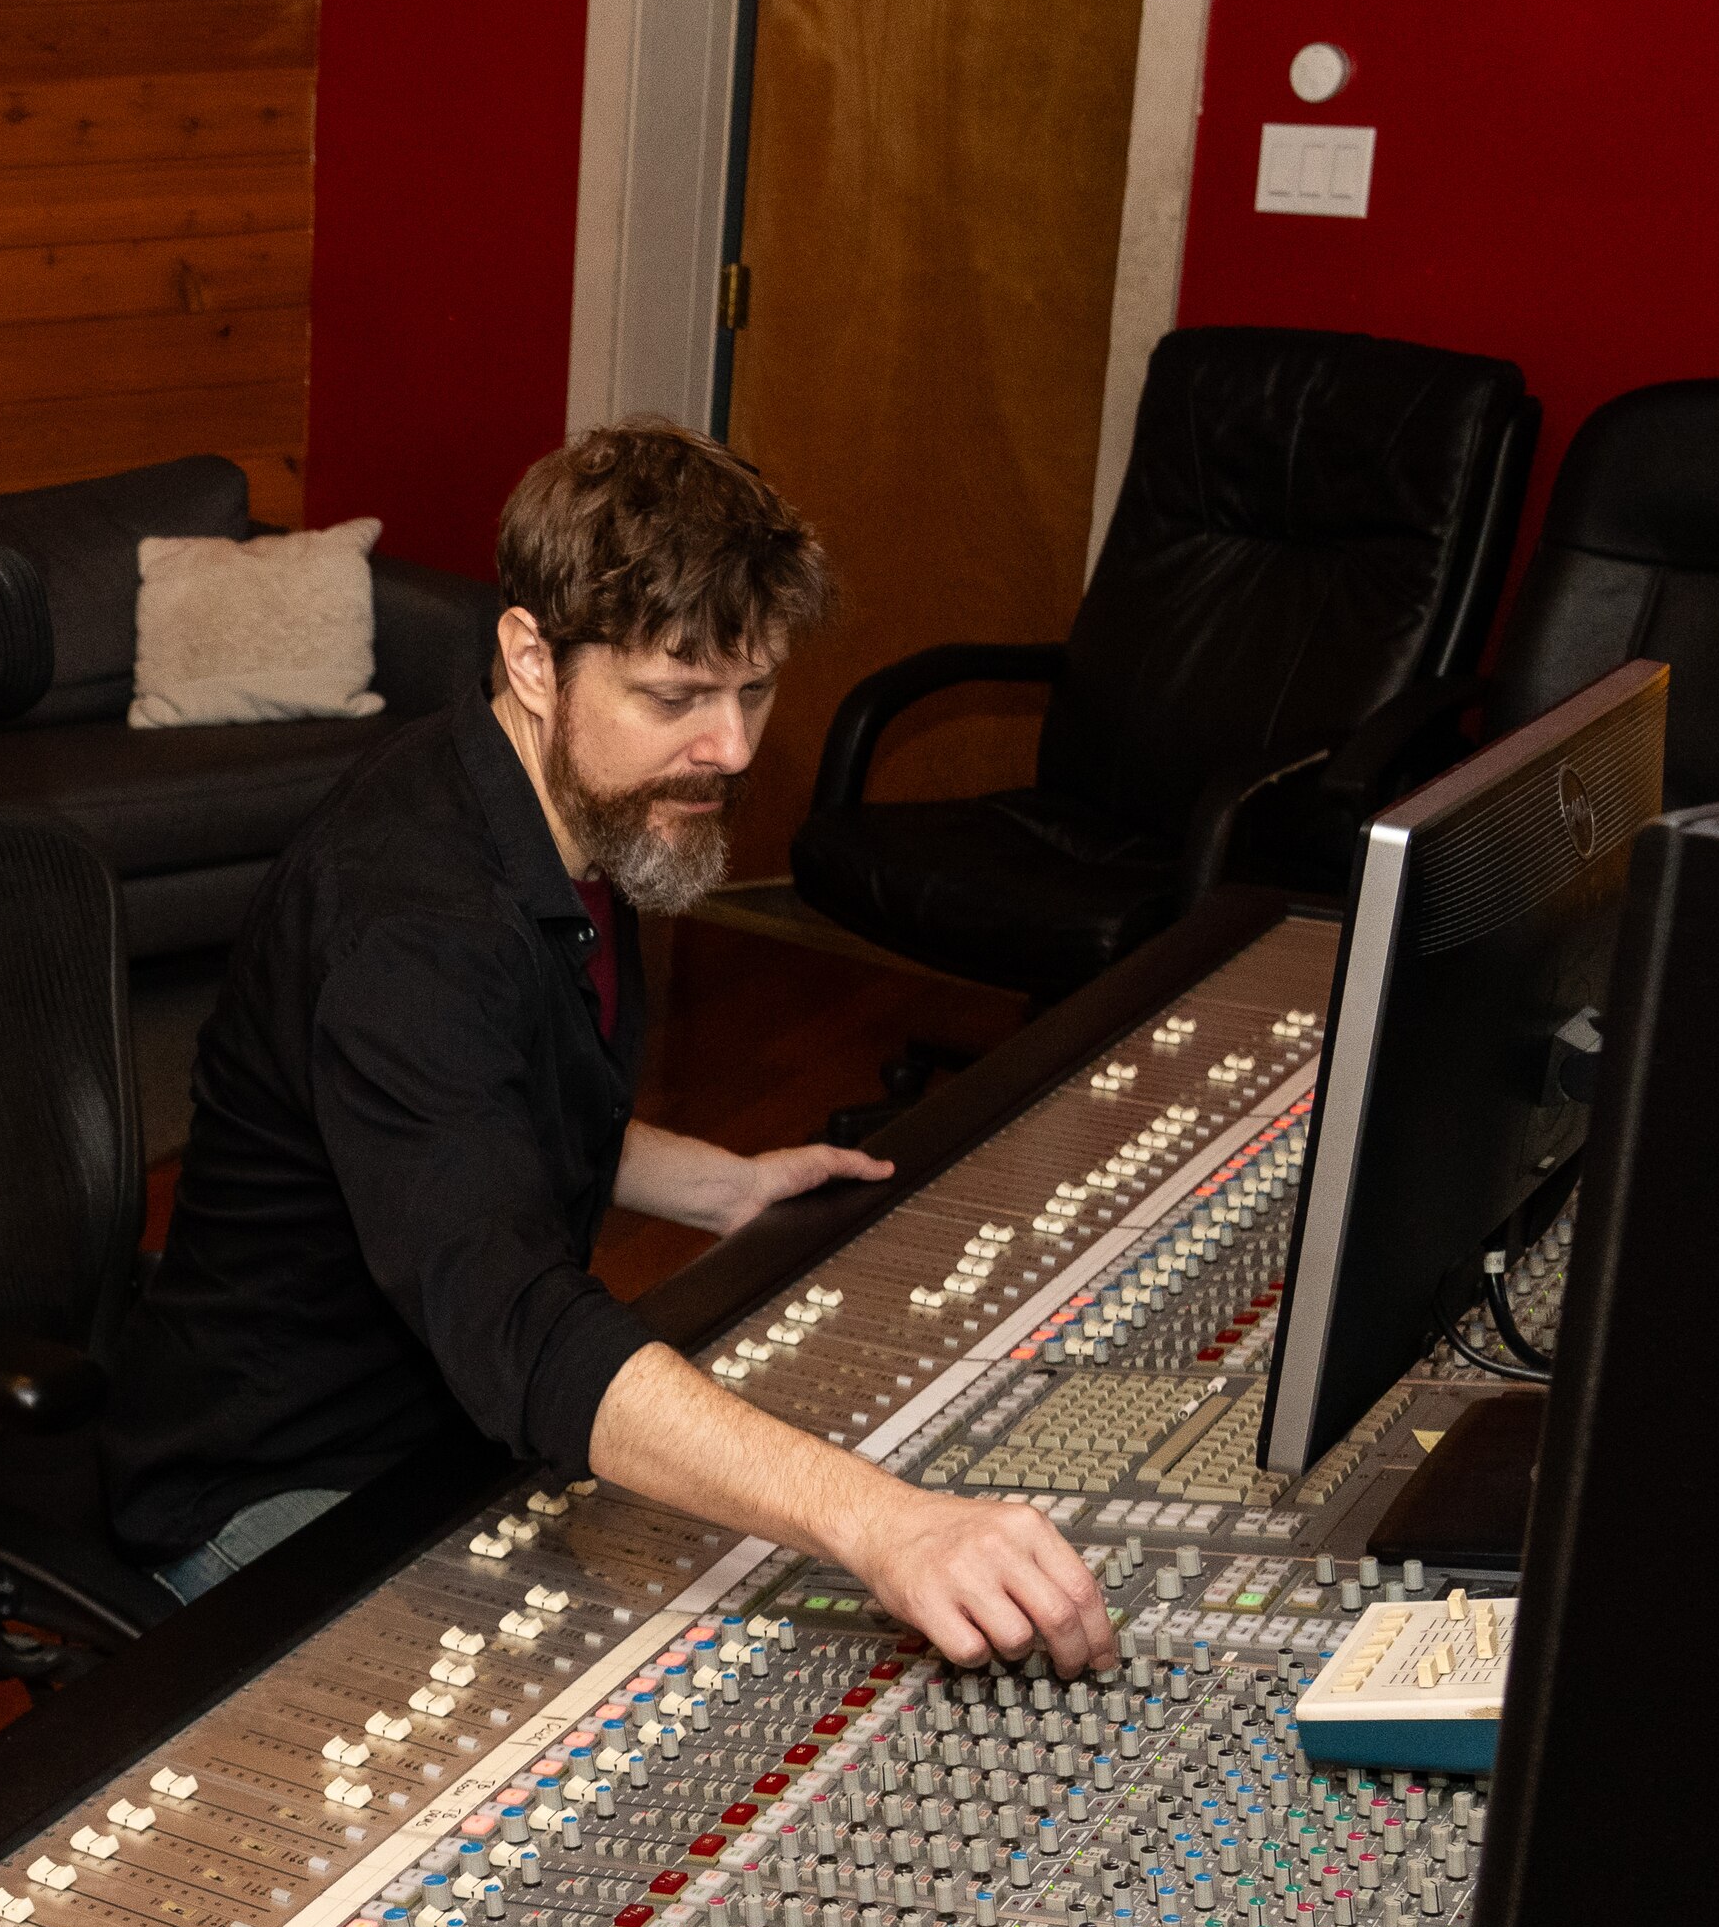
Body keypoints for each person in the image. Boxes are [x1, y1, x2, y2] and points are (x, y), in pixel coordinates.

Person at [100, 420, 1116, 1670]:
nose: (730, 748)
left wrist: (718, 1186)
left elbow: (500, 1097)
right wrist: (883, 1523)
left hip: (447, 1428)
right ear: (532, 660)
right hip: (280, 1479)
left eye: (752, 690)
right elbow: (518, 1327)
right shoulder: (408, 923)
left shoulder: (574, 800)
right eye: (674, 698)